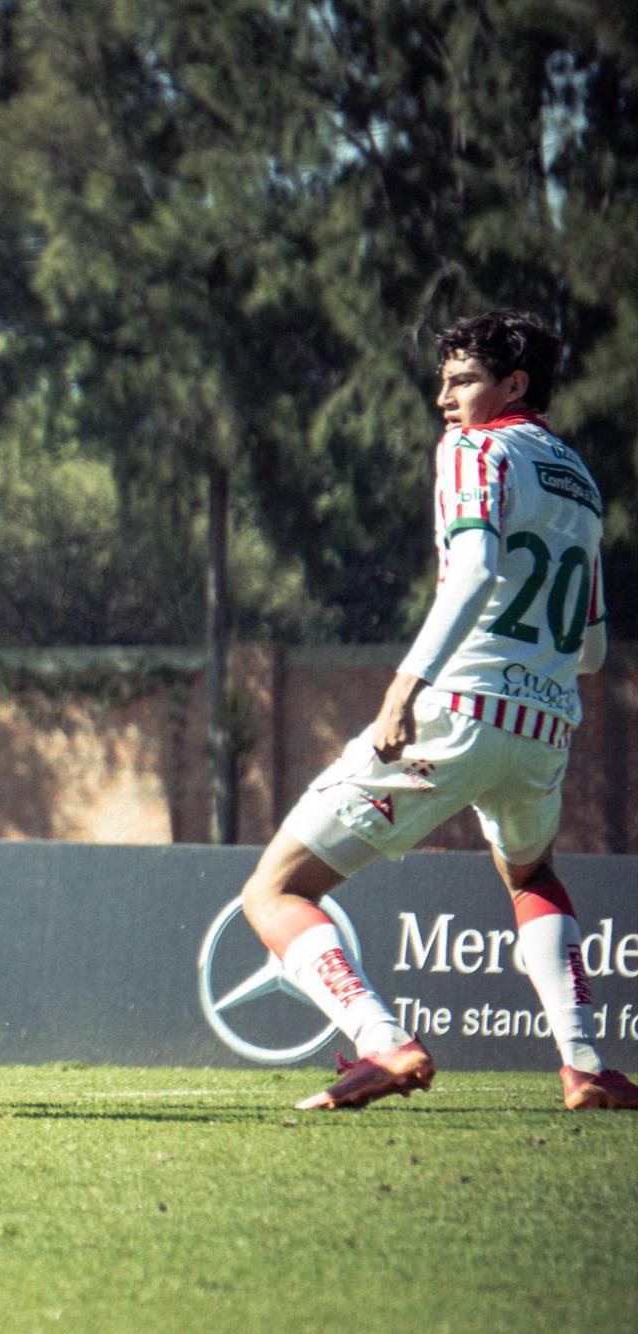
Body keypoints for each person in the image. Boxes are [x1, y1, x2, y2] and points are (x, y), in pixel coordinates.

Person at [238, 310, 632, 1112]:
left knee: (275, 892)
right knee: (531, 874)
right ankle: (586, 1066)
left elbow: (477, 565)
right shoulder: (581, 482)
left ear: (513, 385)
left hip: (455, 711)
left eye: (461, 380)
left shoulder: (475, 450)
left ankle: (383, 1043)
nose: (444, 399)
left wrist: (404, 686)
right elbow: (592, 646)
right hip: (545, 724)